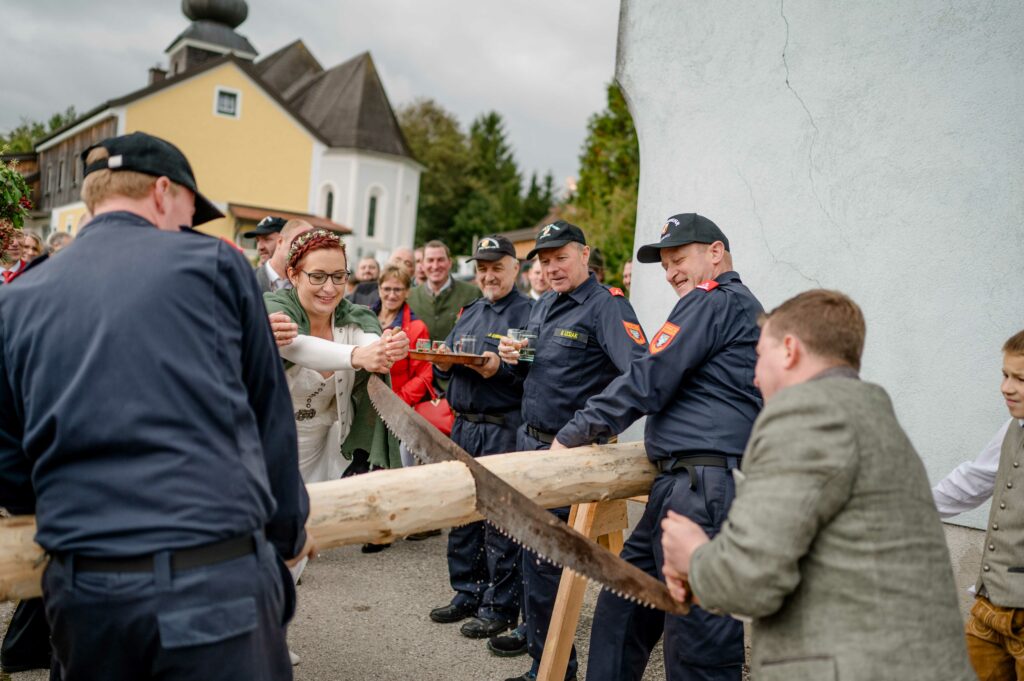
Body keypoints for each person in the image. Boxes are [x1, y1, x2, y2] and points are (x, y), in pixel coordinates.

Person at [0, 131, 312, 680]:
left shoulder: (16, 299)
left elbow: (6, 455)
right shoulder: (215, 263)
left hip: (86, 594)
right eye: (191, 213)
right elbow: (269, 417)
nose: (189, 229)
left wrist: (64, 504)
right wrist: (287, 536)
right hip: (211, 576)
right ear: (164, 191)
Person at [660, 289, 974, 681]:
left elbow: (750, 580)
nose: (755, 376)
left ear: (789, 350)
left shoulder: (807, 414)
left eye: (759, 356)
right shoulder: (870, 415)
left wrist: (692, 554)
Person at [550, 214, 760, 681]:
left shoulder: (713, 301)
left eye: (678, 260)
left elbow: (649, 377)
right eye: (665, 266)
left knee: (696, 640)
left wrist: (573, 433)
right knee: (623, 609)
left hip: (703, 487)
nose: (670, 275)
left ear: (716, 253)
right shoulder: (727, 306)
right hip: (680, 483)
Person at [496, 220, 648, 681]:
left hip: (570, 454)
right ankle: (544, 662)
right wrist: (514, 361)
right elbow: (544, 375)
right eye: (545, 261)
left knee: (547, 565)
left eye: (561, 257)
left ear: (585, 255)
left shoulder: (607, 307)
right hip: (531, 443)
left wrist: (580, 428)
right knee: (532, 558)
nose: (552, 267)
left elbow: (639, 376)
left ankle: (554, 672)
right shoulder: (544, 305)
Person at [427, 236, 532, 641]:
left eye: (497, 267)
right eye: (482, 268)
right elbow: (448, 366)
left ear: (514, 269)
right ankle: (466, 592)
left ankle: (499, 606)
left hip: (503, 426)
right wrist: (441, 364)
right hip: (464, 425)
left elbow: (529, 378)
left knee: (500, 520)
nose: (488, 275)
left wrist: (498, 372)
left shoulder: (529, 314)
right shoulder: (470, 311)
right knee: (463, 514)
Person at [264, 228, 405, 484]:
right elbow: (296, 346)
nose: (329, 288)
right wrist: (358, 355)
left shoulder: (355, 316)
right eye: (317, 276)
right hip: (267, 449)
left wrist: (388, 346)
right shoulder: (274, 308)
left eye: (339, 276)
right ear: (293, 275)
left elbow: (371, 344)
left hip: (326, 453)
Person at [932, 328, 1024, 679]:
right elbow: (975, 479)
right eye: (1005, 375)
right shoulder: (1012, 427)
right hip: (990, 610)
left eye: (1020, 378)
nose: (1007, 387)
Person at [375, 265, 431, 407]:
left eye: (398, 289)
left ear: (407, 292)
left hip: (397, 406)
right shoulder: (365, 318)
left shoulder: (418, 327)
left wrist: (397, 402)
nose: (392, 295)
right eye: (387, 288)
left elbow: (425, 374)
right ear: (379, 289)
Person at [407, 240, 481, 342]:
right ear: (423, 265)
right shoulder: (410, 296)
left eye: (440, 260)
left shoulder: (472, 294)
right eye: (430, 260)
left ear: (449, 263)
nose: (435, 266)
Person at [257, 219, 311, 293]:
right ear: (280, 241)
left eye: (310, 247)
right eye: (297, 244)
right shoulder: (247, 279)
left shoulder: (308, 286)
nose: (303, 251)